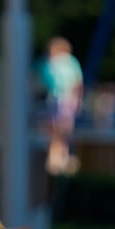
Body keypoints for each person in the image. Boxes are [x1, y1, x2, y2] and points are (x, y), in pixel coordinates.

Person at [39, 37, 83, 173]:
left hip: (64, 100)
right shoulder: (60, 63)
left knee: (60, 129)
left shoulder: (60, 63)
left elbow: (77, 83)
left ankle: (60, 157)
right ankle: (58, 157)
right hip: (58, 99)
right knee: (57, 129)